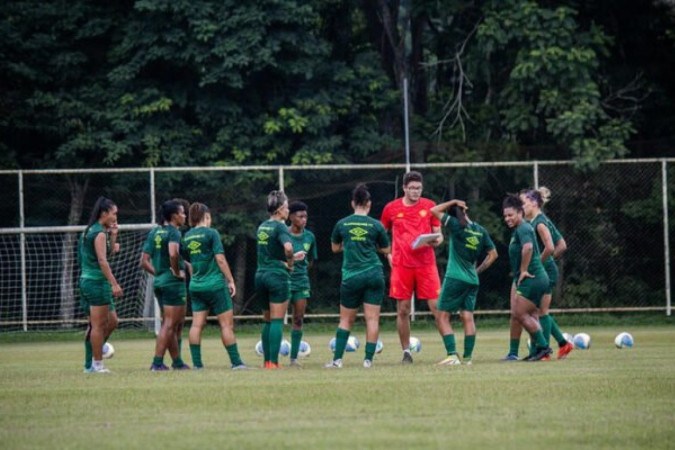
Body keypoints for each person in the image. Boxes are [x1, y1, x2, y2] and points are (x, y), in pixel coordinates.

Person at [326, 183, 391, 369]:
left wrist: (350, 243)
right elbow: (386, 249)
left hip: (352, 276)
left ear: (353, 203)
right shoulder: (376, 225)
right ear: (369, 204)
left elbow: (335, 248)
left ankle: (337, 360)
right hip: (374, 274)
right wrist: (371, 245)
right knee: (372, 319)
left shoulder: (342, 223)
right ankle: (368, 361)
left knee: (346, 320)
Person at [381, 171, 443, 364]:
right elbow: (380, 236)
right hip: (402, 266)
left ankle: (450, 351)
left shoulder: (430, 206)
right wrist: (389, 254)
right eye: (412, 188)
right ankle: (406, 352)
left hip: (426, 265)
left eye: (418, 188)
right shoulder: (391, 208)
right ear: (404, 188)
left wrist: (436, 241)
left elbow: (439, 235)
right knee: (403, 309)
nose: (416, 191)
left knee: (437, 307)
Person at [430, 199, 498, 365]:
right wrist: (477, 271)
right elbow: (494, 254)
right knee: (467, 316)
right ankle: (467, 358)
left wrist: (452, 201)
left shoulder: (454, 224)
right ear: (465, 211)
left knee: (442, 316)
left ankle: (452, 355)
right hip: (472, 280)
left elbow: (434, 210)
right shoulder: (480, 230)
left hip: (455, 277)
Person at [182, 203, 247, 370]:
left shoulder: (187, 236)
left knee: (196, 325)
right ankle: (236, 363)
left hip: (196, 286)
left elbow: (184, 258)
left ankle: (197, 365)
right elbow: (220, 259)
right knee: (226, 325)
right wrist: (231, 280)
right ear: (206, 216)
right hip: (215, 285)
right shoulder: (212, 233)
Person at [518, 187, 573, 359]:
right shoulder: (539, 220)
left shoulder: (539, 222)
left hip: (543, 272)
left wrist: (539, 264)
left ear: (534, 203)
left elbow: (551, 247)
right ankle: (563, 344)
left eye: (523, 203)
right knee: (539, 311)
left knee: (540, 312)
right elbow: (561, 245)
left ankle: (542, 351)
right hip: (545, 270)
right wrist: (547, 261)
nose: (520, 207)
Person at [140, 200, 190, 371]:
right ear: (174, 216)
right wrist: (175, 272)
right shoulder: (174, 232)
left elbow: (144, 262)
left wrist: (160, 274)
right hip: (173, 284)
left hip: (160, 283)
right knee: (169, 325)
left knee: (172, 325)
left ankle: (177, 362)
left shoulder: (155, 232)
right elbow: (173, 254)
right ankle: (157, 362)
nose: (185, 216)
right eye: (182, 213)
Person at [501, 195, 552, 361]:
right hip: (535, 278)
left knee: (520, 313)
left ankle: (544, 347)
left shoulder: (523, 228)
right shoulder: (519, 229)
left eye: (511, 215)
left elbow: (528, 248)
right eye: (505, 215)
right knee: (530, 314)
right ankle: (536, 350)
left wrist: (523, 270)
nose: (507, 218)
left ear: (520, 212)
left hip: (532, 278)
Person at [79, 196, 122, 373]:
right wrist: (114, 284)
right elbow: (103, 261)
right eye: (114, 213)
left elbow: (104, 255)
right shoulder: (98, 233)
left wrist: (113, 237)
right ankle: (95, 364)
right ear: (104, 213)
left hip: (89, 281)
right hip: (96, 282)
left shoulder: (91, 230)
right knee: (97, 326)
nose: (115, 217)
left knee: (112, 321)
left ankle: (98, 350)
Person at [255, 191, 295, 369]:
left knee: (267, 320)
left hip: (261, 275)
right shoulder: (280, 227)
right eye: (286, 207)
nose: (288, 211)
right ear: (279, 210)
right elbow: (288, 248)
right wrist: (291, 263)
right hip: (276, 276)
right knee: (277, 320)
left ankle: (266, 362)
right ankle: (274, 362)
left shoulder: (262, 226)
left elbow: (269, 251)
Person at [287, 201, 318, 367]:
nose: (304, 219)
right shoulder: (282, 234)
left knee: (298, 318)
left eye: (305, 216)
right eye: (300, 216)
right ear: (291, 217)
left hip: (301, 282)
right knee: (275, 319)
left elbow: (311, 260)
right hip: (283, 281)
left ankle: (293, 359)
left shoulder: (309, 237)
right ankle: (270, 358)